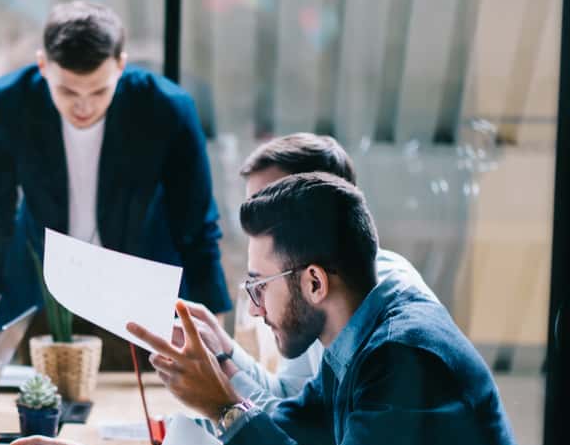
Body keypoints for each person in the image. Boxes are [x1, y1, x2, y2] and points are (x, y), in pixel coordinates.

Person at [6, 174, 544, 445]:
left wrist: (223, 404)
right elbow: (291, 432)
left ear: (313, 282)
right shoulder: (363, 331)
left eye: (260, 286)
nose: (255, 309)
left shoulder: (402, 352)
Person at [0, 0, 229, 381]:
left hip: (142, 298)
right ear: (42, 65)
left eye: (99, 92)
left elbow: (197, 230)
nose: (83, 106)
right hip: (42, 299)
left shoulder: (167, 107)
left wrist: (216, 354)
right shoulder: (6, 103)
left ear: (121, 65)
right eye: (67, 91)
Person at [182, 133, 436, 413]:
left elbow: (311, 443)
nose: (256, 224)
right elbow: (293, 403)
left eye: (271, 205)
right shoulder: (311, 299)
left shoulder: (370, 311)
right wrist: (223, 348)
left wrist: (222, 391)